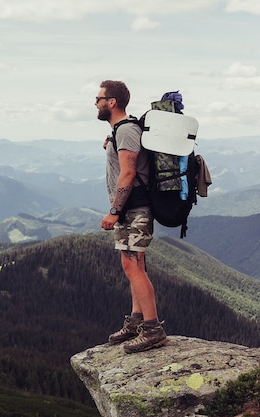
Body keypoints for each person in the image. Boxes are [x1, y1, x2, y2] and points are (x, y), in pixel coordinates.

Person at [96, 80, 168, 354]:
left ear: (112, 102)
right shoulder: (121, 131)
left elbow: (128, 173)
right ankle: (136, 322)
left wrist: (114, 211)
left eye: (99, 98)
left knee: (133, 268)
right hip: (132, 209)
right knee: (134, 266)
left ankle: (152, 329)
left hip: (133, 209)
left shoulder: (125, 131)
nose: (96, 103)